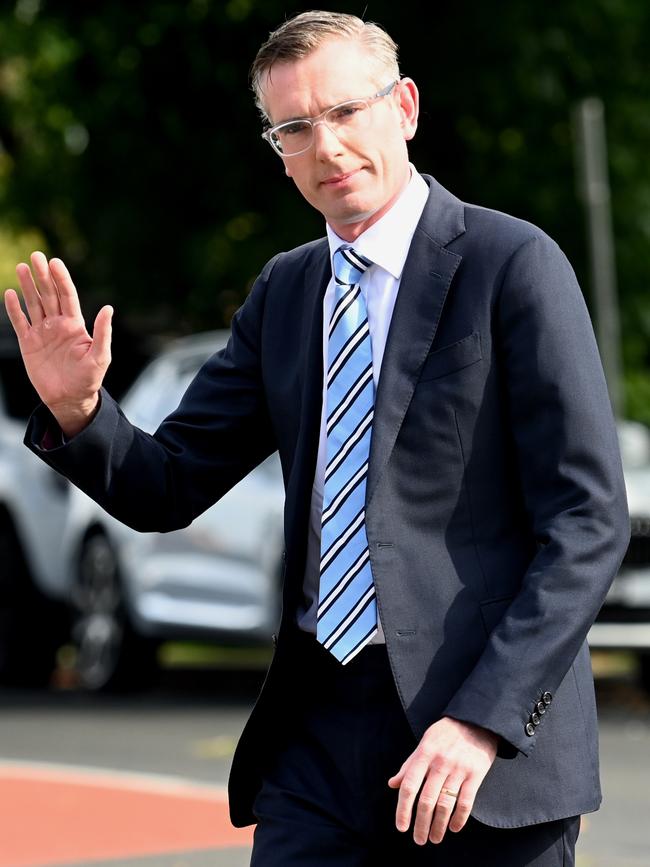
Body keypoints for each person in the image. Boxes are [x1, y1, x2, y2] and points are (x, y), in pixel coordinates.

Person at [4, 10, 629, 866]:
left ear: (403, 106)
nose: (326, 145)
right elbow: (168, 484)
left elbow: (587, 524)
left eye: (345, 112)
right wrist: (79, 410)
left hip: (476, 742)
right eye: (295, 127)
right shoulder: (287, 292)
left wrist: (483, 719)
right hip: (316, 739)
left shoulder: (511, 264)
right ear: (277, 146)